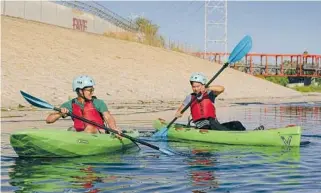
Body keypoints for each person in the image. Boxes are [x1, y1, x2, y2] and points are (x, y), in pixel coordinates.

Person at [175, 72, 264, 131]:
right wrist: (178, 113)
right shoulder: (190, 97)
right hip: (202, 125)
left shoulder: (209, 94)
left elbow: (221, 89)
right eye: (194, 86)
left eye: (198, 86)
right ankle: (240, 137)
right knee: (212, 123)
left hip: (213, 123)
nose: (195, 88)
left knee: (237, 124)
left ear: (203, 85)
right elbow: (180, 109)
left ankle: (247, 134)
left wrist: (208, 88)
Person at [46, 75, 122, 134]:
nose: (92, 92)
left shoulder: (98, 103)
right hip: (80, 133)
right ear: (80, 91)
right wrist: (60, 113)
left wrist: (114, 128)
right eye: (90, 90)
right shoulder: (69, 105)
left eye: (93, 90)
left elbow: (108, 117)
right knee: (71, 129)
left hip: (98, 132)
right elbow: (49, 120)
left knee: (90, 127)